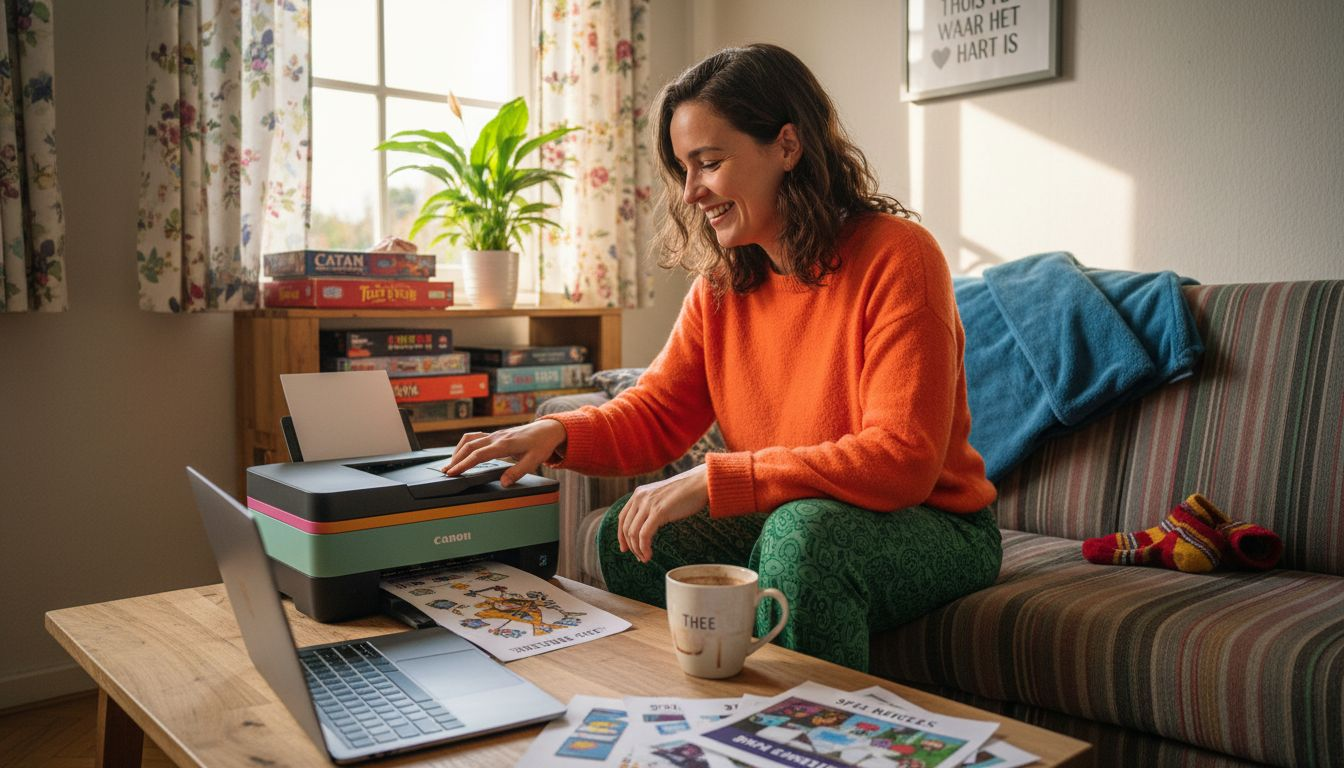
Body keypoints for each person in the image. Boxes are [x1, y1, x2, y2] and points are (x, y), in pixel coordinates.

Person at [444, 43, 1000, 672]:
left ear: (787, 146)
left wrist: (719, 478)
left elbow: (902, 459)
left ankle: (813, 739)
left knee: (802, 539)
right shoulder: (724, 284)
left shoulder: (900, 257)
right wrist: (554, 433)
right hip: (796, 514)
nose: (690, 192)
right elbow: (656, 412)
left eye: (708, 163)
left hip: (932, 524)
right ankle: (700, 718)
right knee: (630, 537)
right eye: (683, 169)